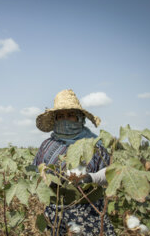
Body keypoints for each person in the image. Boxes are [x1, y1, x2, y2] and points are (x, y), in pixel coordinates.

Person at [33, 89, 115, 235]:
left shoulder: (95, 143)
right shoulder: (47, 145)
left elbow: (110, 174)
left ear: (79, 118)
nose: (65, 119)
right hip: (55, 212)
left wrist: (90, 178)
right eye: (61, 116)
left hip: (89, 211)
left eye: (70, 115)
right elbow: (36, 173)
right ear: (55, 120)